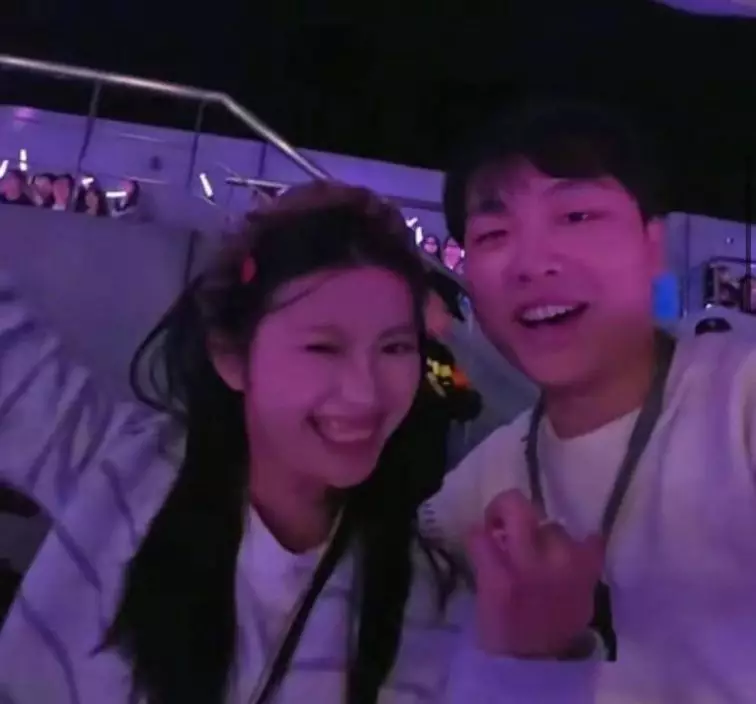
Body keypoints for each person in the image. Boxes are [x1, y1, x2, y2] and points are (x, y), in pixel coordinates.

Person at [0, 181, 543, 704]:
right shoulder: (117, 466)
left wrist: (541, 645)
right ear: (232, 357)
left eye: (395, 347)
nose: (365, 393)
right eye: (323, 348)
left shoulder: (424, 599)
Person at [421, 101, 756, 702]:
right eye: (493, 235)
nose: (533, 264)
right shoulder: (480, 490)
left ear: (653, 244)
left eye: (576, 215)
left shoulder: (739, 403)